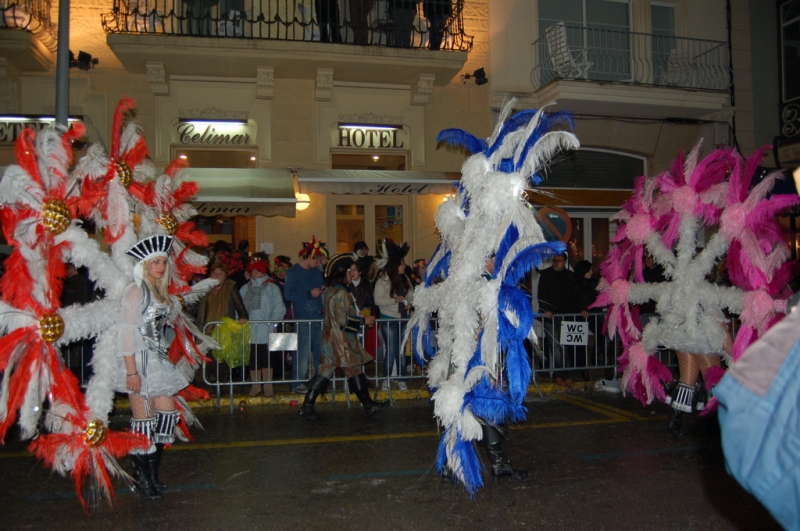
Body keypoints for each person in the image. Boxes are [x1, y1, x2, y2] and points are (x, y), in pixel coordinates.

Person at [116, 235, 187, 500]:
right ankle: (142, 480)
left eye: (162, 262)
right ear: (144, 265)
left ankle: (153, 476)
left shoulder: (159, 290)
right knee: (143, 423)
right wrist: (131, 372)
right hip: (139, 361)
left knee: (165, 418)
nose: (159, 266)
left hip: (157, 360)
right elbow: (126, 333)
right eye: (154, 262)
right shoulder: (135, 291)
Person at [299, 253, 390, 419]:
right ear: (343, 273)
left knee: (344, 371)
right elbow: (342, 319)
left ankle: (367, 405)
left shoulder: (332, 291)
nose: (351, 276)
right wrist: (363, 320)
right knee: (336, 371)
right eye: (349, 272)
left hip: (332, 339)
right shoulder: (341, 293)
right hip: (340, 341)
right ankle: (308, 406)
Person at [536, 252, 588, 388]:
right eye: (555, 260)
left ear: (565, 262)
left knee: (562, 347)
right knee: (556, 347)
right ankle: (562, 374)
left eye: (559, 261)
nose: (556, 263)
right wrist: (544, 310)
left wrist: (582, 309)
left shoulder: (570, 277)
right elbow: (541, 295)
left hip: (565, 316)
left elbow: (576, 295)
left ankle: (560, 374)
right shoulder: (546, 275)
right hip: (551, 317)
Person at [284, 237, 327, 393]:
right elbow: (288, 295)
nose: (319, 263)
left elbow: (324, 283)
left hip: (318, 317)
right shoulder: (294, 271)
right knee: (302, 352)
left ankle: (318, 381)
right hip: (303, 318)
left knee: (319, 351)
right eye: (317, 260)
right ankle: (298, 383)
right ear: (309, 257)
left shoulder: (316, 271)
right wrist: (309, 294)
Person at [196, 260, 249, 383]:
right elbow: (194, 305)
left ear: (225, 276)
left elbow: (239, 305)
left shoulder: (230, 287)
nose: (217, 276)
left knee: (221, 362)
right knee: (205, 361)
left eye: (220, 274)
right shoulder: (203, 288)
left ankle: (221, 389)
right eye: (214, 273)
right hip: (205, 330)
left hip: (223, 331)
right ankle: (205, 389)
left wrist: (243, 316)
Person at [240, 256, 286, 397]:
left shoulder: (272, 288)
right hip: (249, 329)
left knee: (266, 358)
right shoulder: (245, 288)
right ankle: (255, 385)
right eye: (253, 271)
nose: (255, 274)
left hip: (266, 329)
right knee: (253, 358)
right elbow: (239, 306)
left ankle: (268, 385)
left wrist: (273, 322)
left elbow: (279, 307)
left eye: (258, 271)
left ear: (263, 272)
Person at [373, 239, 413, 390]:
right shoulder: (382, 281)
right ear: (395, 266)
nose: (404, 266)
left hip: (403, 318)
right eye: (402, 264)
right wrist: (394, 300)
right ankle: (386, 379)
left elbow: (411, 295)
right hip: (388, 320)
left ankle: (401, 379)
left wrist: (410, 303)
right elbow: (378, 300)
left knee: (401, 351)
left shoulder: (406, 279)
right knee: (390, 351)